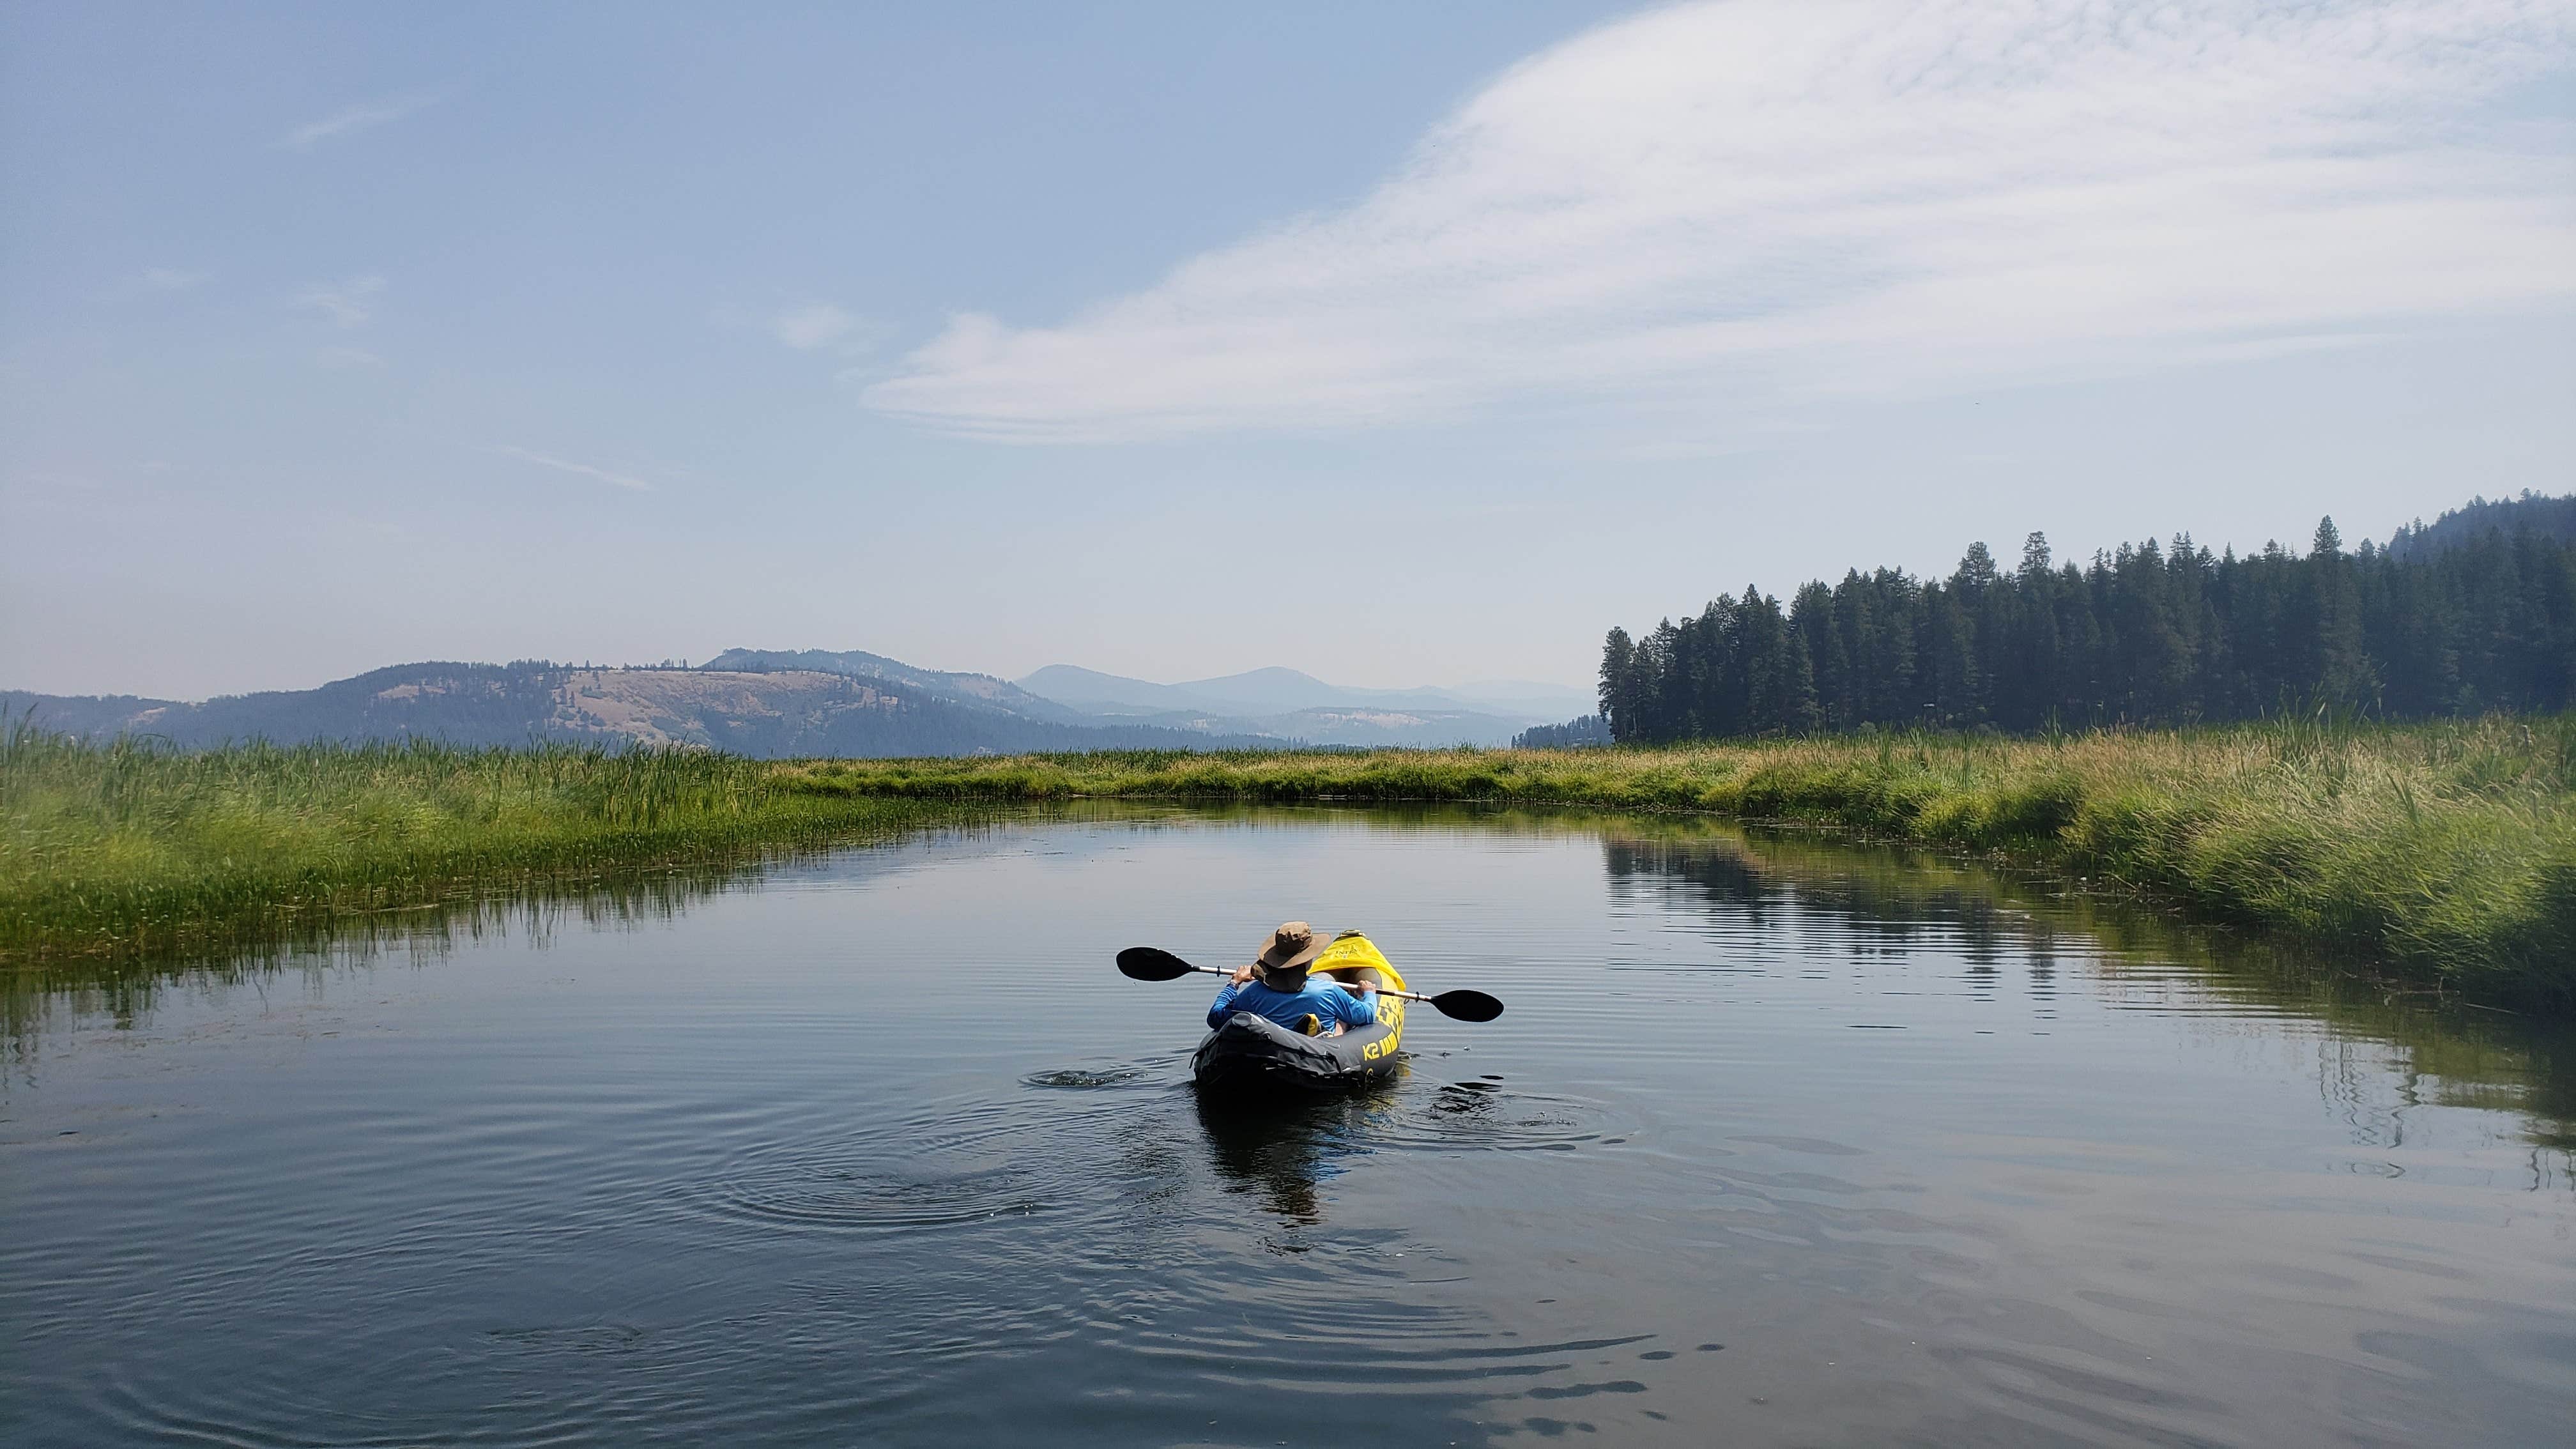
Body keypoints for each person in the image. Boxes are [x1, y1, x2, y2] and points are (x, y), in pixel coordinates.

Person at [1208, 921, 1377, 1036]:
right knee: (1343, 1020)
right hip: (1318, 1058)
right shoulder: (1328, 991)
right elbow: (1367, 1015)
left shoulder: (1253, 994)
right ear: (1308, 960)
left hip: (1268, 1056)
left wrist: (1234, 983)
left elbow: (1216, 1018)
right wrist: (1368, 993)